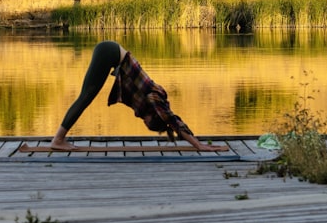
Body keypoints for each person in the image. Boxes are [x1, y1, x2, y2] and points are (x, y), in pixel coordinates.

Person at [50, 40, 224, 151]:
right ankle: (58, 140)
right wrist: (198, 144)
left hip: (108, 51)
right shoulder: (156, 101)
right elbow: (174, 121)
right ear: (154, 116)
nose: (144, 122)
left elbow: (171, 125)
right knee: (85, 97)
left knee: (85, 96)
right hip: (109, 52)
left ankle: (59, 138)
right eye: (148, 123)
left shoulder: (151, 102)